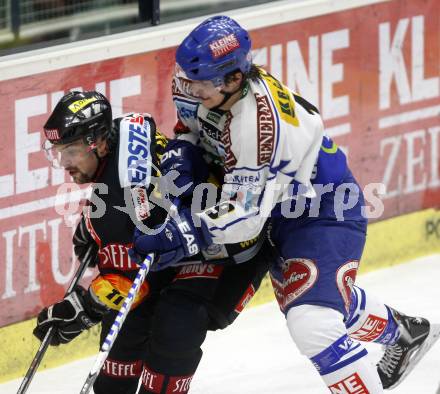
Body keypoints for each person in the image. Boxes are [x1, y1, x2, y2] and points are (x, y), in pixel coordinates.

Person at [131, 15, 440, 392]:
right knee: (318, 293)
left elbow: (244, 216)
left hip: (321, 210)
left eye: (200, 84)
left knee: (312, 320)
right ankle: (405, 335)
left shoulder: (260, 126)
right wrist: (182, 156)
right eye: (187, 78)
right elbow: (191, 127)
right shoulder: (199, 81)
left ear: (233, 79)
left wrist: (185, 231)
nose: (189, 89)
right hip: (277, 209)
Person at [33, 90, 273, 394]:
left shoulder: (123, 200)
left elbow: (128, 280)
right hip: (180, 238)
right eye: (57, 153)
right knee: (124, 333)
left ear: (99, 142)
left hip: (227, 250)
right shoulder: (122, 132)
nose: (64, 163)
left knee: (177, 324)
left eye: (70, 151)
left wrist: (85, 307)